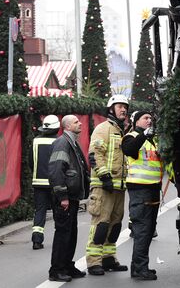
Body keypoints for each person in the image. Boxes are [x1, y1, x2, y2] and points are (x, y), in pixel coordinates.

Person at [85, 95, 129, 276]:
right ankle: (94, 261)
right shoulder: (103, 129)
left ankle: (109, 258)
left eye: (125, 107)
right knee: (101, 224)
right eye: (119, 106)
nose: (123, 110)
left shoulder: (122, 131)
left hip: (119, 186)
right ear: (111, 109)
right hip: (104, 186)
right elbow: (95, 154)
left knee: (115, 224)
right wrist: (105, 178)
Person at [122, 110, 164, 280]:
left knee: (148, 231)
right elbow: (130, 149)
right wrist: (144, 135)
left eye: (150, 118)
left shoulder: (152, 141)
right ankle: (140, 269)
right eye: (145, 118)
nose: (149, 120)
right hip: (140, 190)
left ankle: (139, 267)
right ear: (136, 121)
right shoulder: (130, 136)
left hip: (153, 189)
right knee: (142, 230)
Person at [47, 115, 90, 282]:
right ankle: (56, 270)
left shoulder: (72, 142)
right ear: (67, 127)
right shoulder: (62, 143)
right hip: (65, 198)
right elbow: (56, 171)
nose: (79, 123)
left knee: (71, 233)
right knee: (63, 233)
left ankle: (67, 266)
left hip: (72, 197)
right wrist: (62, 196)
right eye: (76, 122)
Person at [31, 115, 60, 250]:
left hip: (38, 182)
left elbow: (31, 162)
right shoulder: (59, 142)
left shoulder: (35, 141)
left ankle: (37, 240)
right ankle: (59, 239)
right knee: (57, 211)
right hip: (55, 183)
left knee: (40, 210)